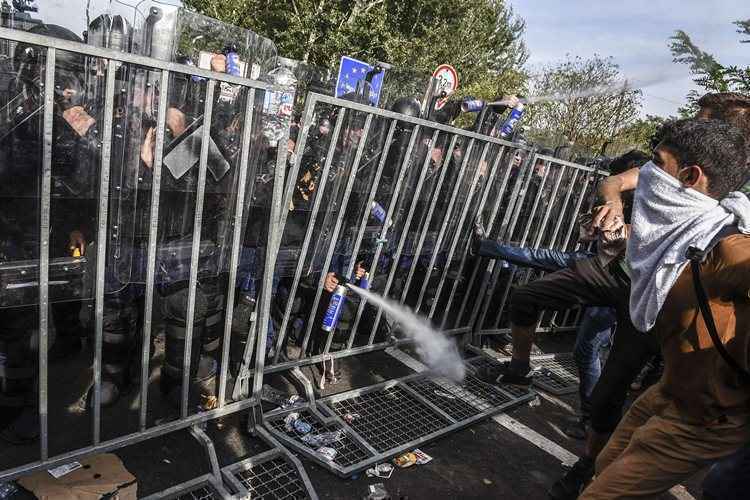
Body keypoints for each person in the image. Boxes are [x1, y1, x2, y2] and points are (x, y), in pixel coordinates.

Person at [548, 92, 750, 499]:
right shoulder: (681, 232)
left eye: (658, 166)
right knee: (604, 465)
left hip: (708, 416)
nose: (649, 175)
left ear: (692, 178)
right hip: (671, 391)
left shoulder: (726, 245)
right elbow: (617, 189)